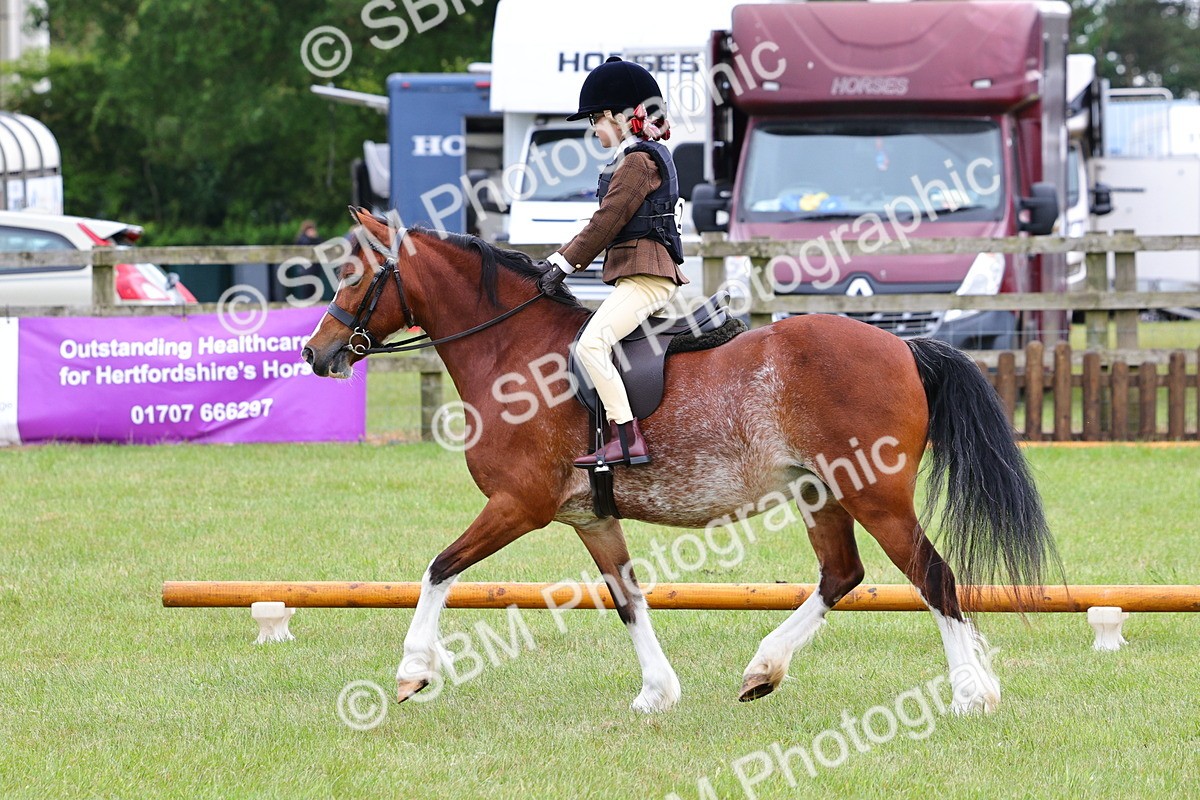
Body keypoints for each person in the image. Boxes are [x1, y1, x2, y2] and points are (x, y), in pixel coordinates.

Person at [538, 56, 688, 468]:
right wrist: (555, 259)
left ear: (616, 117)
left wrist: (564, 266)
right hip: (641, 275)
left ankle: (626, 436)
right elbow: (599, 223)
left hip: (647, 277)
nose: (594, 130)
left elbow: (607, 221)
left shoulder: (638, 161)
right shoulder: (638, 157)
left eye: (595, 121)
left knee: (591, 345)